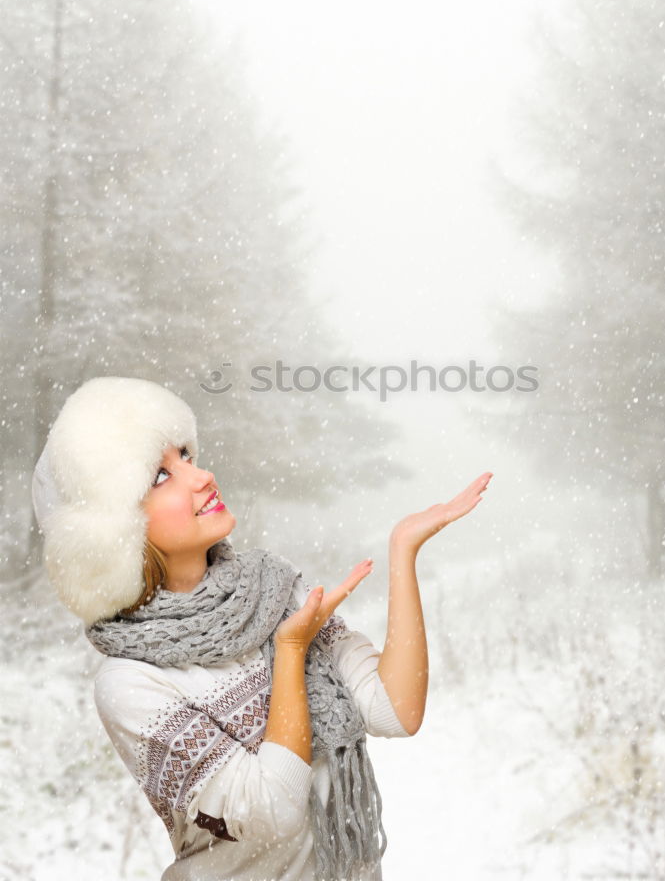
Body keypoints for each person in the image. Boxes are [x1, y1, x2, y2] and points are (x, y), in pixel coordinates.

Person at [31, 375, 492, 880]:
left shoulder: (272, 593)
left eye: (186, 454)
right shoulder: (130, 682)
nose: (202, 475)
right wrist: (291, 650)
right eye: (161, 476)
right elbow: (273, 809)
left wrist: (404, 550)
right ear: (116, 529)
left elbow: (395, 710)